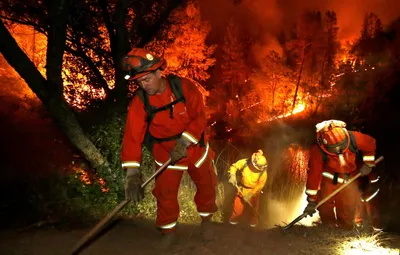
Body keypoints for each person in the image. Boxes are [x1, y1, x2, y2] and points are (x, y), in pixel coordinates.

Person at [120, 48, 217, 249]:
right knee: (165, 193)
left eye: (146, 79)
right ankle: (168, 231)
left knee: (207, 185)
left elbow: (199, 118)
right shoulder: (140, 102)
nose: (143, 85)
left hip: (195, 149)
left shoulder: (185, 88)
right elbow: (132, 137)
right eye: (139, 82)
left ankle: (207, 221)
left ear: (158, 72)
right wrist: (132, 174)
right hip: (165, 154)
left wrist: (183, 143)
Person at [303, 120, 377, 229]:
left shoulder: (353, 138)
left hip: (350, 180)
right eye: (334, 149)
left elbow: (370, 143)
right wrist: (312, 201)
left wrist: (368, 163)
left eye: (341, 148)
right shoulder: (317, 150)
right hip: (329, 181)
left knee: (348, 208)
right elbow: (314, 176)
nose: (339, 151)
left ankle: (345, 229)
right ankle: (329, 229)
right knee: (325, 207)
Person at [227, 149, 268, 228]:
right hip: (242, 189)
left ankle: (252, 229)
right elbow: (234, 166)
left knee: (253, 212)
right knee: (237, 209)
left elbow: (260, 186)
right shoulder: (245, 162)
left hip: (254, 192)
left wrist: (250, 194)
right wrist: (232, 175)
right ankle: (232, 226)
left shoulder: (263, 173)